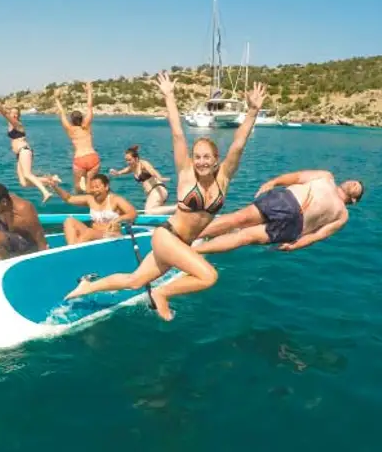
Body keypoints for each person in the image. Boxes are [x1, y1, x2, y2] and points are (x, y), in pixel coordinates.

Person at [64, 71, 268, 320]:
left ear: (216, 161)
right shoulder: (186, 174)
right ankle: (161, 294)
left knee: (135, 281)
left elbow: (238, 144)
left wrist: (253, 111)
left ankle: (87, 287)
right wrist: (169, 96)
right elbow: (178, 134)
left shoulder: (224, 177)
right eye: (198, 156)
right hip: (167, 236)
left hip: (180, 245)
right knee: (209, 276)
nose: (201, 161)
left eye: (207, 157)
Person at [192, 170, 364, 253]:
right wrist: (275, 182)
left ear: (354, 200)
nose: (355, 183)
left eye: (358, 188)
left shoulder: (343, 215)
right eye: (355, 181)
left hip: (294, 227)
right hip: (286, 201)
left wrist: (296, 245)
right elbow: (297, 177)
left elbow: (319, 234)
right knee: (239, 218)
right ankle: (188, 237)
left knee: (244, 237)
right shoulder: (327, 177)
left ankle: (192, 252)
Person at [0, 87, 57, 203]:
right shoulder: (10, 124)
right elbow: (3, 111)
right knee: (24, 183)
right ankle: (50, 180)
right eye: (13, 113)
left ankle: (46, 192)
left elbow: (4, 112)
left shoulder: (17, 124)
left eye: (17, 114)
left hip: (24, 150)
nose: (15, 115)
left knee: (27, 174)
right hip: (19, 154)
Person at [47, 173, 137, 245]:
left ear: (106, 187)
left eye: (97, 187)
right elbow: (69, 198)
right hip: (94, 233)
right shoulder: (90, 199)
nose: (94, 190)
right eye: (92, 187)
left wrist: (118, 219)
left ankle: (73, 250)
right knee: (69, 221)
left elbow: (133, 213)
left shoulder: (115, 199)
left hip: (110, 235)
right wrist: (55, 187)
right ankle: (72, 248)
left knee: (89, 232)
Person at [0, 182, 48, 263]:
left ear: (4, 202)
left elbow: (39, 236)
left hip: (25, 243)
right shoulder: (0, 206)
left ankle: (8, 260)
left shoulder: (24, 209)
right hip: (7, 235)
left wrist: (43, 257)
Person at [54, 82, 100, 192]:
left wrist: (57, 98)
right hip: (93, 157)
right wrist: (89, 91)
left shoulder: (70, 130)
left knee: (78, 188)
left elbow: (61, 112)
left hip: (80, 159)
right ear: (82, 118)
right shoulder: (87, 126)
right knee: (91, 187)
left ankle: (81, 195)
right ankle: (92, 202)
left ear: (71, 120)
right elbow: (89, 107)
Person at [109, 145, 175, 215]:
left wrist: (159, 177)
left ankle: (177, 208)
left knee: (148, 211)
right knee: (155, 212)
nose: (128, 162)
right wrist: (117, 173)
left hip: (157, 190)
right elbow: (125, 170)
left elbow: (152, 170)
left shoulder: (143, 164)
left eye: (129, 160)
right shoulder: (132, 167)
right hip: (152, 193)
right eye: (126, 160)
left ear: (136, 159)